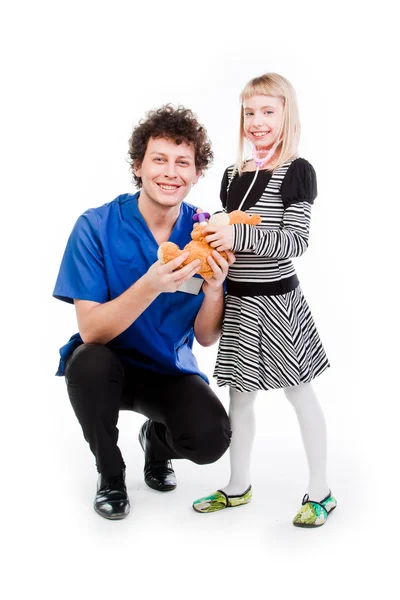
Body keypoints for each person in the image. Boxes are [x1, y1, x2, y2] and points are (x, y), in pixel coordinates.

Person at [53, 105, 234, 520]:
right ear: (138, 166)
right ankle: (111, 474)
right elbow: (92, 330)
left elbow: (206, 337)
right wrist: (152, 284)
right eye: (159, 159)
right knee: (89, 363)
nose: (170, 172)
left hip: (167, 372)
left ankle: (156, 441)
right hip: (105, 368)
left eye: (182, 162)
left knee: (212, 439)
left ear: (195, 173)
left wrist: (214, 288)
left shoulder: (204, 234)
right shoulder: (95, 226)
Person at [192, 73, 337, 527]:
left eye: (267, 111)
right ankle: (238, 486)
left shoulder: (296, 171)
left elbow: (295, 242)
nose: (257, 121)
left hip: (278, 303)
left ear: (286, 114)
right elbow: (229, 241)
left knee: (300, 394)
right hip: (239, 301)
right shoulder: (234, 175)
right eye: (250, 112)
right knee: (240, 397)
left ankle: (322, 492)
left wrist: (236, 231)